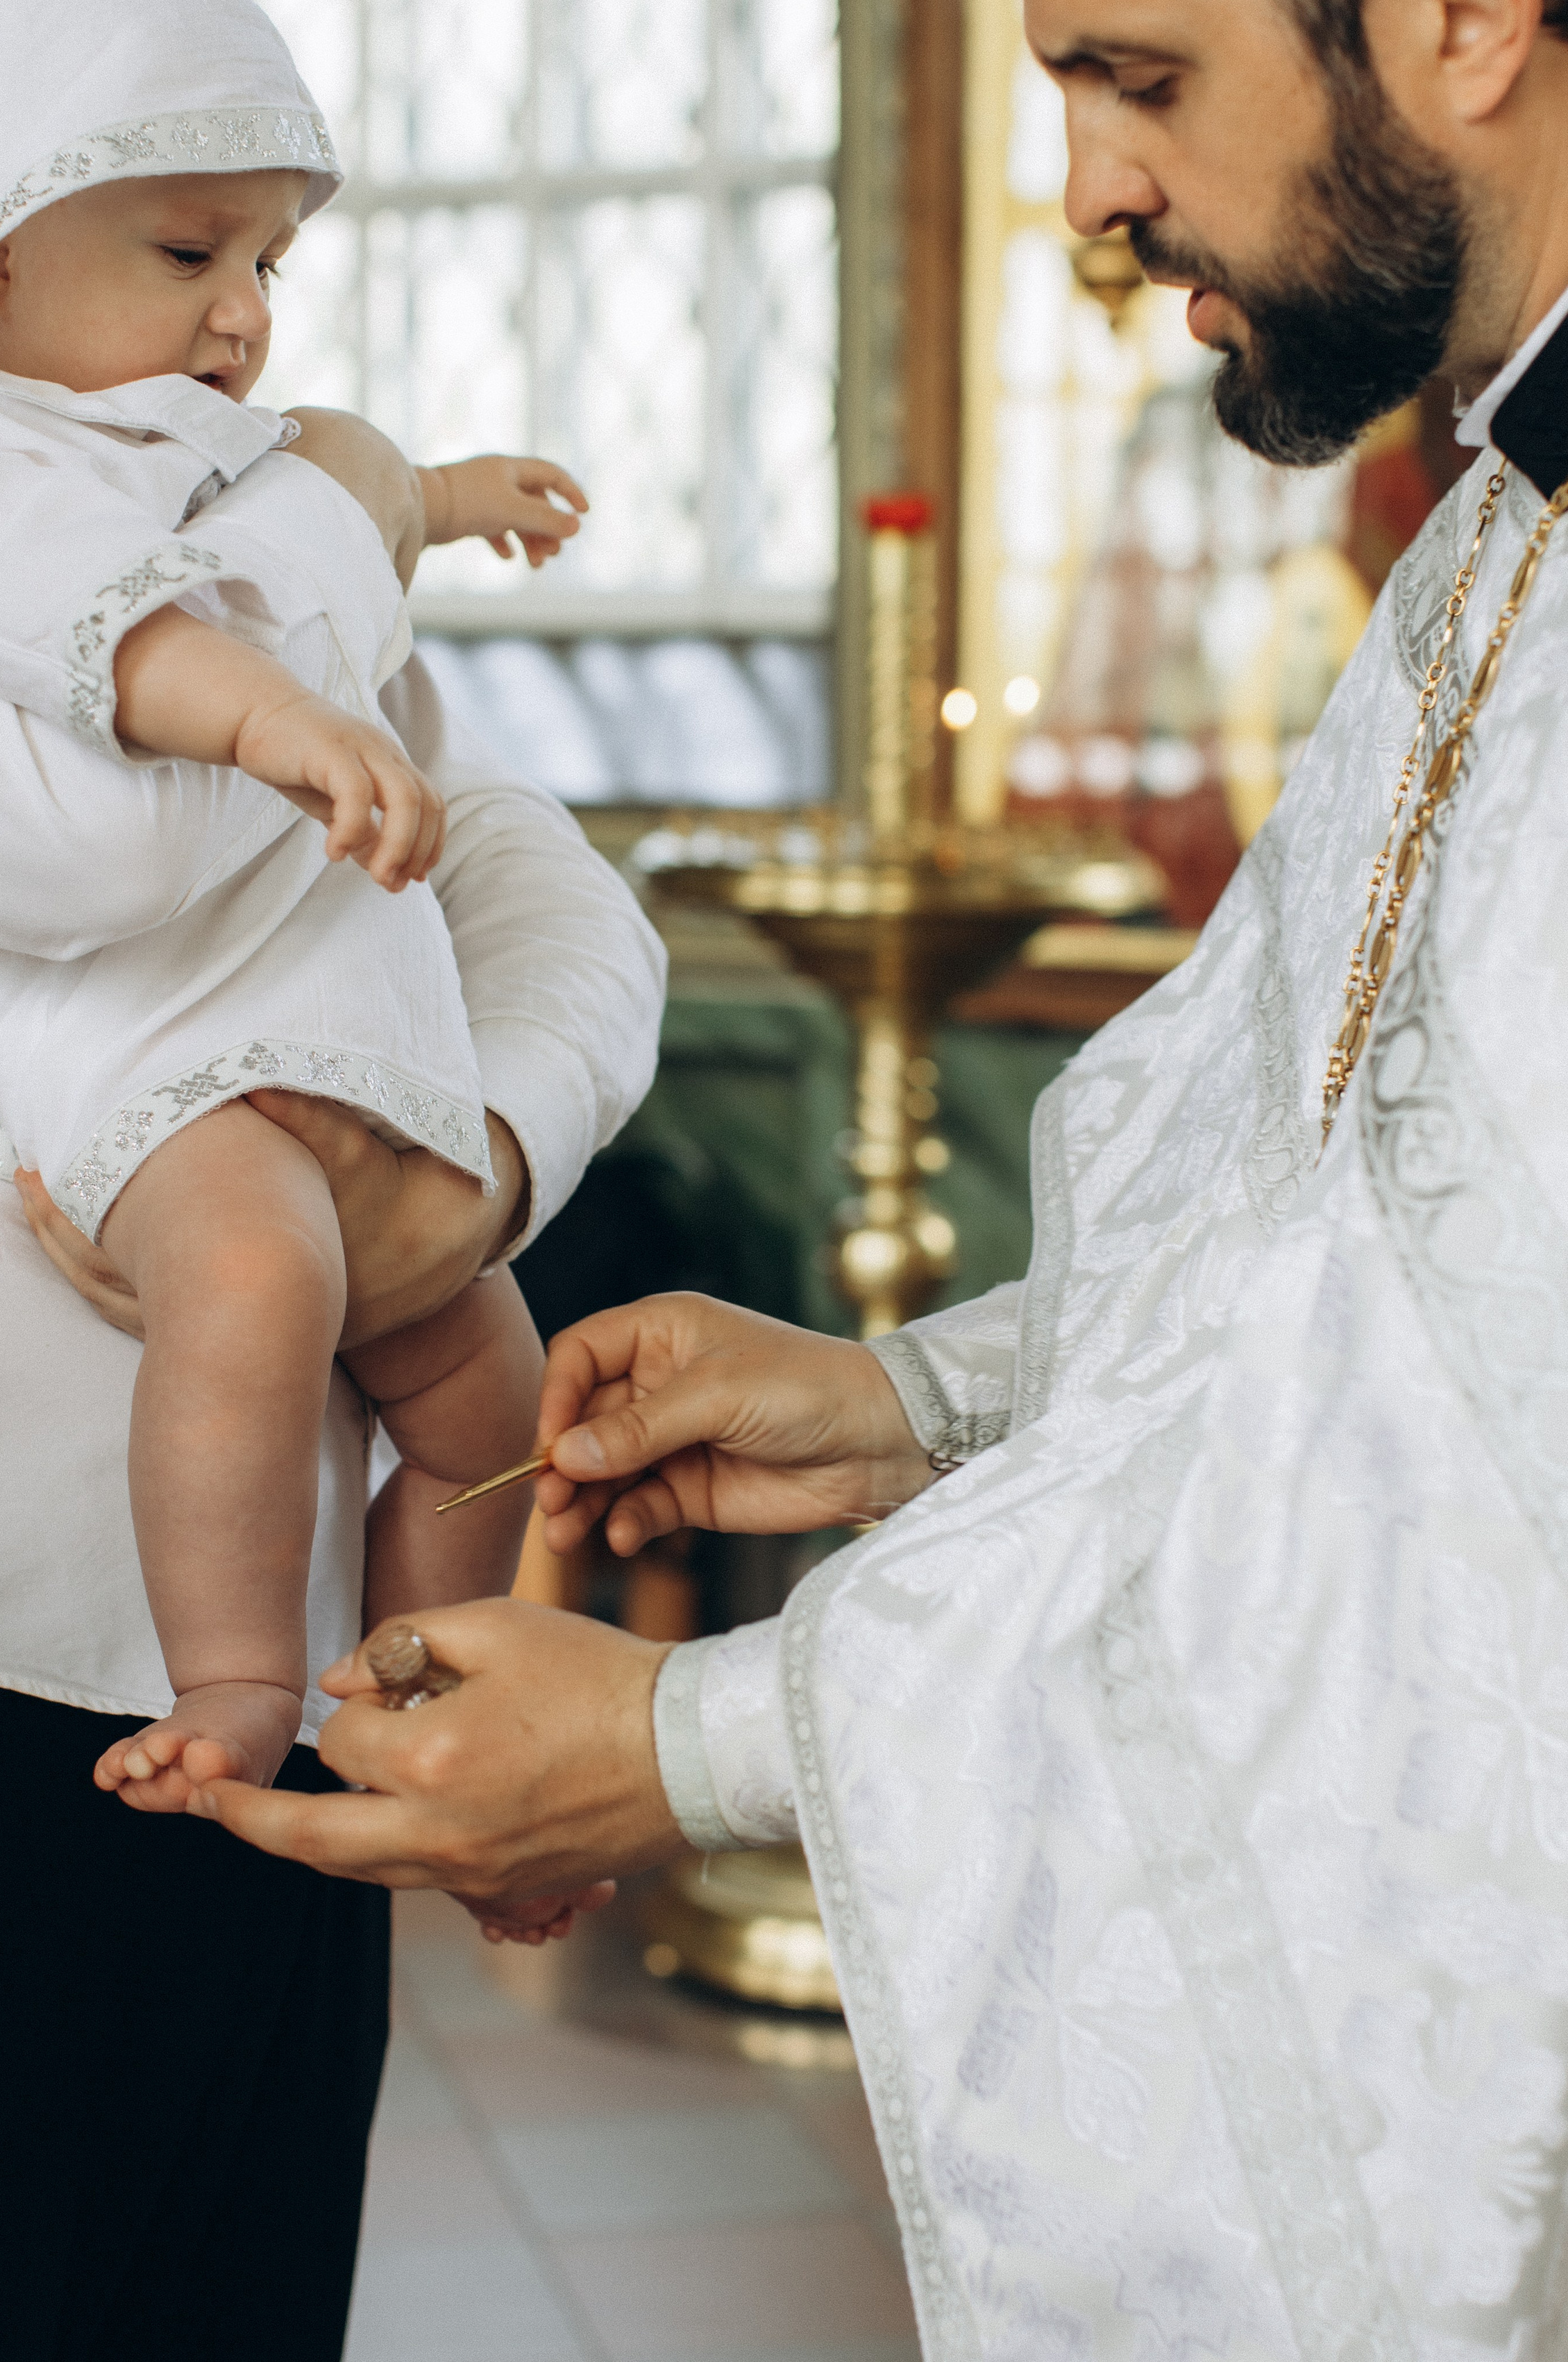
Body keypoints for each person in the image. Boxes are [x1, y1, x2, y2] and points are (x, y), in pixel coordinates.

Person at [197, 1, 1568, 2352]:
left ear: (1464, 22)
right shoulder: (1490, 566)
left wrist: (684, 1740)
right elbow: (1359, 1273)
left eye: (1143, 76)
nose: (1093, 191)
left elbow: (1457, 1536)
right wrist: (905, 1401)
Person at [0, 0, 663, 2352]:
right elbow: (86, 839)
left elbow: (524, 874)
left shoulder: (170, 409)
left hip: (271, 1702)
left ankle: (416, 1704)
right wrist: (347, 499)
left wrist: (479, 1160)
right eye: (201, 249)